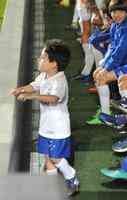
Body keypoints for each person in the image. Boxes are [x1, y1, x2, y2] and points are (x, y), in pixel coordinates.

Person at [10, 39, 79, 196]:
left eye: (42, 58)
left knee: (55, 158)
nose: (39, 60)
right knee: (47, 158)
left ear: (54, 64)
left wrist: (30, 96)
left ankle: (71, 176)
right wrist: (21, 89)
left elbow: (53, 98)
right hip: (45, 128)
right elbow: (34, 85)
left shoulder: (60, 81)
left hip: (58, 129)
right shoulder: (44, 75)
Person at [86, 0, 127, 125]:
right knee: (98, 74)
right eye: (114, 12)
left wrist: (106, 68)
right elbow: (113, 48)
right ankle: (106, 113)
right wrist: (104, 65)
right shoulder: (116, 25)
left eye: (120, 12)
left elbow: (120, 52)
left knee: (102, 77)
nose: (116, 15)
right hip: (124, 63)